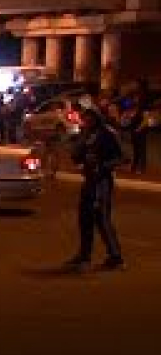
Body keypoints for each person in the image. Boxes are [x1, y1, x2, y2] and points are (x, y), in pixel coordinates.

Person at [64, 104, 126, 271]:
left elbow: (121, 157)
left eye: (91, 117)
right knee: (84, 218)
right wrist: (77, 150)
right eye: (86, 117)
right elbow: (77, 156)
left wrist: (103, 166)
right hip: (89, 180)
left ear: (97, 117)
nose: (87, 120)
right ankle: (84, 256)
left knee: (101, 218)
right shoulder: (87, 133)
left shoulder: (108, 133)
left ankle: (116, 257)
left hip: (102, 182)